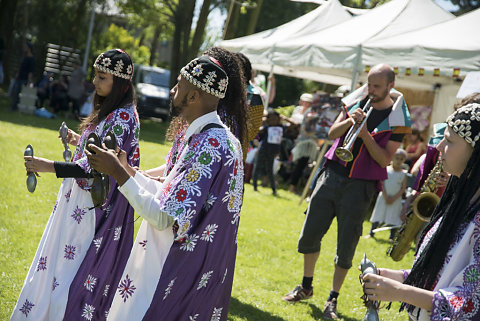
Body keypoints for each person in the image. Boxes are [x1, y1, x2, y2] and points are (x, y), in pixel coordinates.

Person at [86, 52, 245, 321]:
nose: (173, 89)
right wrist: (128, 171)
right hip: (190, 269)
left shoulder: (209, 145)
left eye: (179, 84)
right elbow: (170, 194)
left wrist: (117, 173)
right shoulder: (217, 138)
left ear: (194, 96)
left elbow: (164, 217)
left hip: (173, 271)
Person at [12, 49, 140, 320]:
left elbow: (95, 167)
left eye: (101, 77)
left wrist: (46, 165)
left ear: (119, 83)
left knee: (67, 274)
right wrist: (77, 140)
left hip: (89, 208)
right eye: (96, 75)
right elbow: (96, 149)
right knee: (56, 265)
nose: (94, 82)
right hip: (77, 202)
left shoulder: (124, 117)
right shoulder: (115, 111)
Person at [282, 64, 411, 320]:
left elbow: (385, 159)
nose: (370, 90)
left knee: (346, 244)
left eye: (376, 86)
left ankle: (333, 298)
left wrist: (365, 135)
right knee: (310, 234)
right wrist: (351, 121)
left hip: (361, 184)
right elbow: (331, 133)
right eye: (369, 84)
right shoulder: (355, 102)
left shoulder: (399, 120)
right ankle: (306, 286)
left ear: (390, 87)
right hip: (332, 174)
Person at [362, 103, 480, 321]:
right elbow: (441, 276)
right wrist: (393, 278)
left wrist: (398, 292)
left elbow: (469, 304)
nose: (439, 146)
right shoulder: (458, 203)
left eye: (450, 140)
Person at [367, 148, 408, 241]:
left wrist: (394, 198)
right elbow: (382, 183)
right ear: (392, 158)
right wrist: (385, 196)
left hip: (395, 198)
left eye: (401, 159)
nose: (398, 161)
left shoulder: (403, 174)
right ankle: (371, 233)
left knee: (394, 216)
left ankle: (392, 237)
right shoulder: (386, 169)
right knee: (378, 213)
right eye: (397, 158)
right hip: (383, 196)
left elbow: (403, 188)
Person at [252, 110, 283, 196]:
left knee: (270, 169)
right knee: (257, 166)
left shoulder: (281, 127)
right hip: (263, 149)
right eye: (271, 119)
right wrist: (264, 121)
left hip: (272, 151)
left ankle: (273, 189)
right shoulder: (266, 128)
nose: (273, 121)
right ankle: (255, 186)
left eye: (275, 119)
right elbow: (258, 131)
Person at [10, 41, 35, 110]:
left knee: (19, 93)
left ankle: (15, 107)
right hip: (19, 77)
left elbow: (31, 71)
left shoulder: (31, 59)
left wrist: (29, 81)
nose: (24, 48)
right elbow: (21, 67)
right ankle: (13, 106)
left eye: (26, 47)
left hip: (24, 78)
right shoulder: (25, 57)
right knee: (15, 92)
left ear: (29, 48)